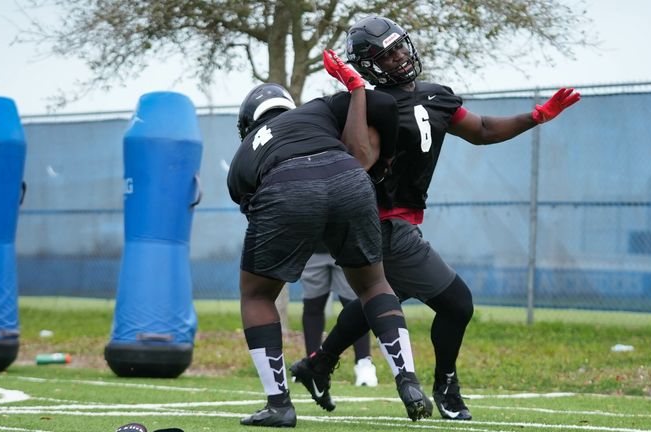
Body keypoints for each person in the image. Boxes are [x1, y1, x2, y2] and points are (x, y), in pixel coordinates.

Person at [290, 16, 581, 421]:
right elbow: (355, 159)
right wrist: (356, 91)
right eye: (384, 55)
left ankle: (316, 364)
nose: (396, 58)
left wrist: (534, 117)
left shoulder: (436, 97)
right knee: (458, 304)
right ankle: (446, 385)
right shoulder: (372, 106)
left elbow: (480, 129)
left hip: (399, 221)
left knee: (380, 297)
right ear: (369, 66)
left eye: (397, 48)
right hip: (379, 222)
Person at [227, 50, 432, 428]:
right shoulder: (319, 109)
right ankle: (408, 380)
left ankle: (279, 404)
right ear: (289, 107)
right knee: (373, 284)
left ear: (248, 124)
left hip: (284, 187)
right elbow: (384, 104)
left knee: (256, 294)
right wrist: (384, 159)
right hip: (348, 177)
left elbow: (260, 213)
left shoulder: (242, 156)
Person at [299, 242, 378, 387]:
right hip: (312, 246)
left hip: (346, 246)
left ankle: (364, 363)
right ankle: (311, 365)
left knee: (355, 306)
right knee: (312, 305)